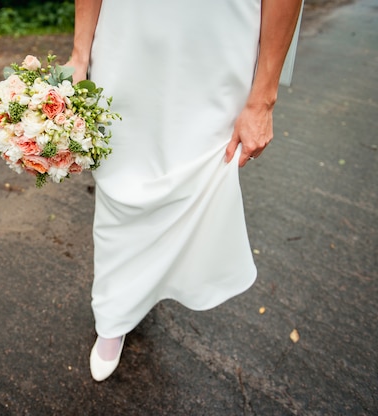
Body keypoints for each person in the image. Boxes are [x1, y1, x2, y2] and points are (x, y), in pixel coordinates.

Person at [66, 0, 303, 382]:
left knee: (197, 173)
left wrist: (263, 100)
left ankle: (154, 283)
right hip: (126, 38)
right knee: (120, 179)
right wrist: (80, 55)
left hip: (218, 46)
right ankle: (114, 314)